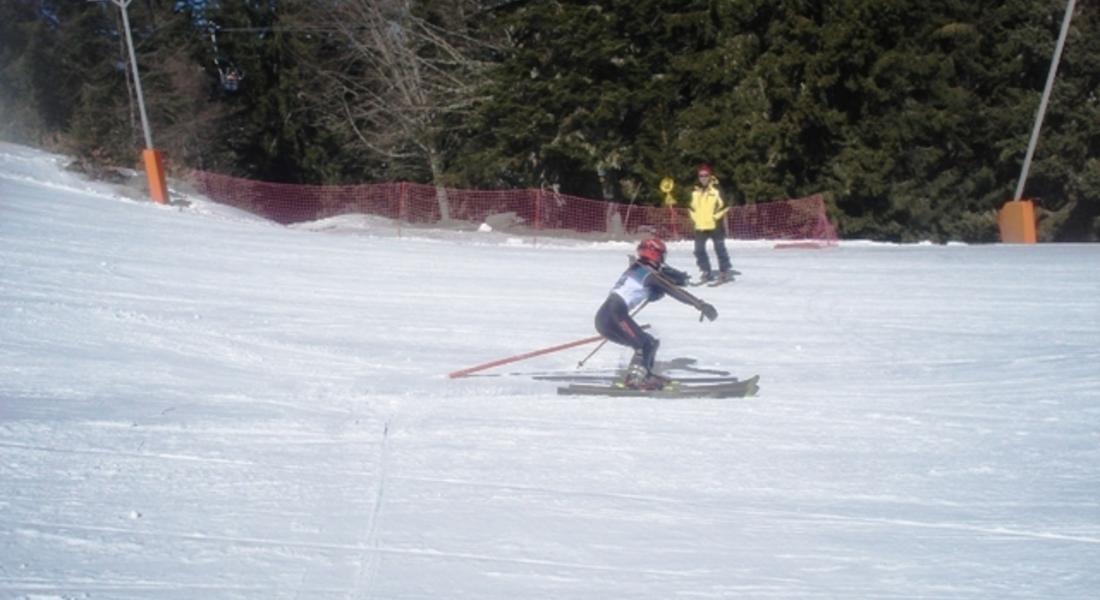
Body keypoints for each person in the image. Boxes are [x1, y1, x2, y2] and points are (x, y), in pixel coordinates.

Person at [594, 237, 719, 390]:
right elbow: (672, 289)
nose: (663, 260)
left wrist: (654, 291)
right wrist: (700, 305)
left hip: (607, 316)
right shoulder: (648, 274)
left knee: (650, 343)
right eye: (662, 256)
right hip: (614, 314)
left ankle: (644, 375)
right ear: (654, 254)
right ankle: (634, 380)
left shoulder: (638, 268)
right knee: (643, 344)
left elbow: (660, 279)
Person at [689, 164, 733, 283]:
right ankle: (706, 271)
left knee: (719, 249)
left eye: (705, 175)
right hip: (700, 226)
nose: (703, 178)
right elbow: (691, 207)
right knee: (698, 250)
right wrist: (696, 218)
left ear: (710, 176)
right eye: (701, 176)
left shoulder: (716, 189)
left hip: (715, 225)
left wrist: (715, 217)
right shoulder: (695, 191)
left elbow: (724, 205)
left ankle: (724, 271)